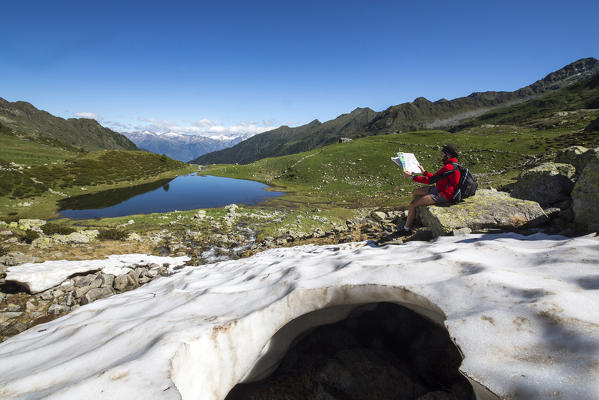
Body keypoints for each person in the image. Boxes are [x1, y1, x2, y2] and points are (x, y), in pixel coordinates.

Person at [401, 144, 460, 234]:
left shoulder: (449, 167)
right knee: (415, 192)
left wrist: (412, 177)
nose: (441, 155)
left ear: (448, 155)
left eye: (442, 153)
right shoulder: (451, 165)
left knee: (412, 204)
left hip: (444, 194)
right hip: (439, 188)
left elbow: (430, 181)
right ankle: (414, 216)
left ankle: (406, 229)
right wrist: (424, 172)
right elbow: (435, 178)